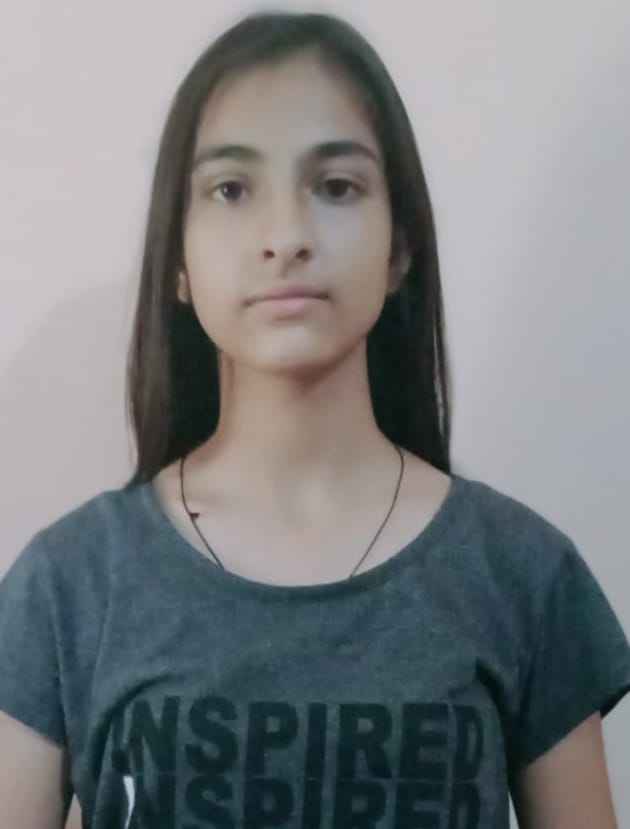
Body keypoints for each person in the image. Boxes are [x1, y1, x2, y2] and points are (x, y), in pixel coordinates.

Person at [1, 10, 629, 829]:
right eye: (232, 189)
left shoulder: (522, 574)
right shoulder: (69, 585)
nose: (286, 237)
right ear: (178, 259)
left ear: (399, 247)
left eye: (336, 187)